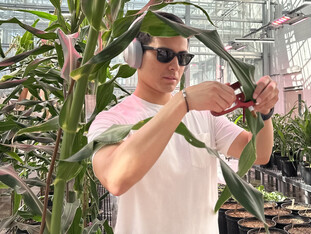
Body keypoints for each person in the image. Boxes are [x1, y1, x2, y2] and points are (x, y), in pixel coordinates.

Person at [87, 8, 279, 234]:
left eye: (183, 57)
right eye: (164, 54)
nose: (175, 66)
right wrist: (182, 103)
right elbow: (115, 178)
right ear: (134, 54)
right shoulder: (112, 121)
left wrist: (263, 112)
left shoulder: (204, 116)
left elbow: (260, 154)